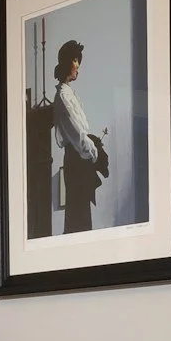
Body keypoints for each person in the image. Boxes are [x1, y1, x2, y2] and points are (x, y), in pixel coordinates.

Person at [49, 40, 107, 233]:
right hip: (76, 160)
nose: (78, 66)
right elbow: (78, 136)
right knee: (78, 217)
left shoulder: (69, 94)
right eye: (75, 60)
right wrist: (95, 153)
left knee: (82, 214)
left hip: (79, 160)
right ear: (67, 64)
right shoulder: (64, 97)